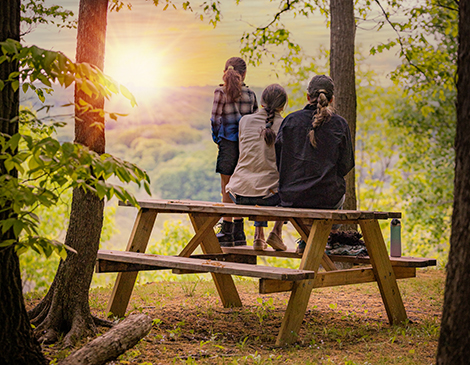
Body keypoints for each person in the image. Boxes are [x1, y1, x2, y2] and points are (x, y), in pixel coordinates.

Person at [275, 75, 354, 254]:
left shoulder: (290, 121)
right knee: (338, 192)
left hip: (293, 197)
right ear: (332, 99)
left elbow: (280, 161)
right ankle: (325, 239)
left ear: (307, 96)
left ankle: (306, 239)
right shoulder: (340, 124)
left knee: (320, 195)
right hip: (327, 197)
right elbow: (346, 165)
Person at [226, 84, 288, 251]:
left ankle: (258, 236)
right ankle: (276, 231)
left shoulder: (244, 121)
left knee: (261, 175)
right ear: (282, 106)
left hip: (238, 193)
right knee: (282, 182)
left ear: (261, 102)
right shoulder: (285, 125)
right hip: (267, 196)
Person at [211, 57, 258, 247]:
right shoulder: (251, 94)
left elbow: (215, 120)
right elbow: (255, 120)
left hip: (228, 143)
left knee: (226, 187)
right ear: (244, 74)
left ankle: (227, 230)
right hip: (245, 145)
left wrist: (217, 139)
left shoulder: (220, 92)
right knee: (241, 187)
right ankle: (239, 232)